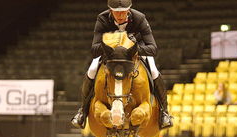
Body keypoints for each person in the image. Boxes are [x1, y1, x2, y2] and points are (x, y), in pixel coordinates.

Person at [71, 0, 173, 129]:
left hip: (134, 51)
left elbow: (153, 48)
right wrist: (111, 44)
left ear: (129, 10)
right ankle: (82, 111)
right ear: (110, 11)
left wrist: (132, 47)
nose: (120, 16)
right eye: (116, 13)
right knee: (92, 70)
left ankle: (164, 112)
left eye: (123, 13)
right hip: (111, 54)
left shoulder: (139, 18)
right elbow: (94, 49)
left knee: (153, 70)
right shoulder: (102, 19)